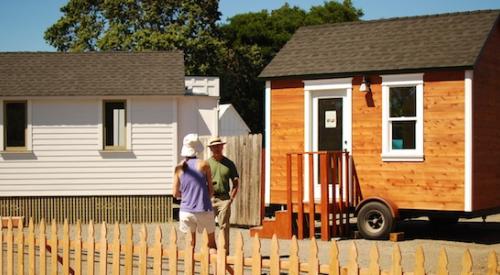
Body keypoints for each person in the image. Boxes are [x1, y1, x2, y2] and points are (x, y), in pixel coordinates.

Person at [172, 133, 217, 251]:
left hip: (186, 210)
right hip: (204, 209)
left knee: (190, 245)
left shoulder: (178, 168)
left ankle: (189, 270)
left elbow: (175, 193)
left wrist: (185, 194)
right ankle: (216, 270)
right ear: (196, 149)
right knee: (211, 245)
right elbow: (211, 190)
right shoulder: (204, 164)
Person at [207, 137, 239, 253]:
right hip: (210, 199)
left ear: (222, 147)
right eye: (214, 146)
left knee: (224, 227)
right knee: (208, 227)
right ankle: (210, 251)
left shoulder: (229, 163)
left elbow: (236, 183)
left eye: (219, 146)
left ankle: (224, 253)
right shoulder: (207, 164)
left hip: (224, 199)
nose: (217, 148)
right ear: (211, 149)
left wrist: (230, 199)